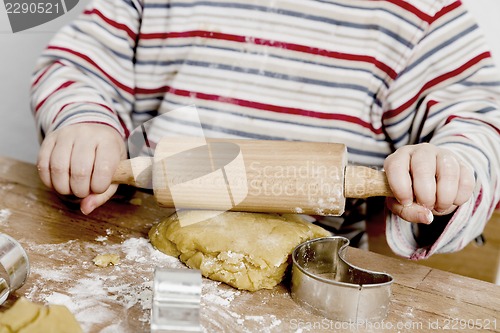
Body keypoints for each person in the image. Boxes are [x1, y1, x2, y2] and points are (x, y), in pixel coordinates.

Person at [31, 0, 500, 259]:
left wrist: (446, 169)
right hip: (139, 242)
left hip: (314, 277)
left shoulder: (417, 17)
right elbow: (77, 65)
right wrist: (86, 123)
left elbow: (480, 122)